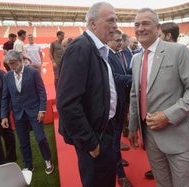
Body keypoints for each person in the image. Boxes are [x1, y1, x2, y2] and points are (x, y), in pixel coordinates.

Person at [128, 8, 189, 187]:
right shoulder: (138, 59)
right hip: (150, 137)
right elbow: (135, 95)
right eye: (137, 24)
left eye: (145, 23)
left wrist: (168, 115)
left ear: (158, 27)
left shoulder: (178, 51)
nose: (140, 28)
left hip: (177, 137)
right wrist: (133, 127)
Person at [57, 2, 118, 187]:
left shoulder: (97, 48)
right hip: (94, 136)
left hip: (104, 131)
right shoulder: (80, 48)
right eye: (110, 20)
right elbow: (67, 103)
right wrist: (90, 142)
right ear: (92, 23)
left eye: (116, 20)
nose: (116, 25)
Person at [1, 50, 54, 175]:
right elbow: (5, 97)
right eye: (9, 64)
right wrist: (4, 115)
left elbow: (41, 92)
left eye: (13, 63)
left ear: (20, 60)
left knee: (40, 138)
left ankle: (47, 159)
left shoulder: (33, 73)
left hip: (35, 111)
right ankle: (27, 164)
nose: (11, 66)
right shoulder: (7, 76)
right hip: (18, 113)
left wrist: (42, 110)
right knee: (23, 141)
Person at [107, 29, 132, 187]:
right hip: (113, 104)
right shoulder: (106, 55)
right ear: (108, 40)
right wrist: (134, 77)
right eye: (117, 40)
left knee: (116, 138)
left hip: (121, 100)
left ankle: (117, 158)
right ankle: (120, 174)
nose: (120, 43)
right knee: (114, 139)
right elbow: (114, 78)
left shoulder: (116, 54)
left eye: (120, 40)